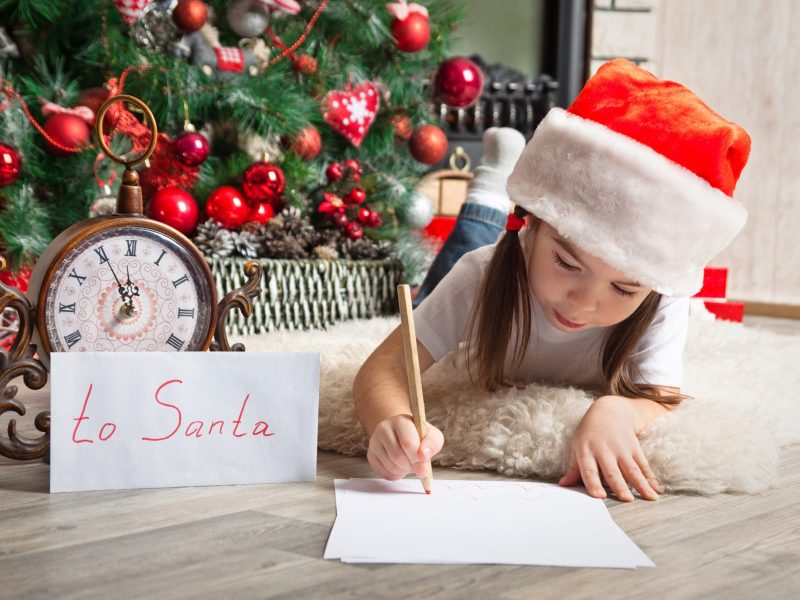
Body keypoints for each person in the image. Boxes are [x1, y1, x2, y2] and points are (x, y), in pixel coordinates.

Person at [353, 59, 751, 502]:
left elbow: (659, 398)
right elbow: (385, 367)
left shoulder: (661, 297)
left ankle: (493, 189)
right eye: (566, 262)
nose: (583, 302)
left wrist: (617, 410)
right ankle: (489, 190)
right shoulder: (480, 277)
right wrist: (390, 420)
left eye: (623, 288)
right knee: (454, 260)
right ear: (532, 223)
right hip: (497, 258)